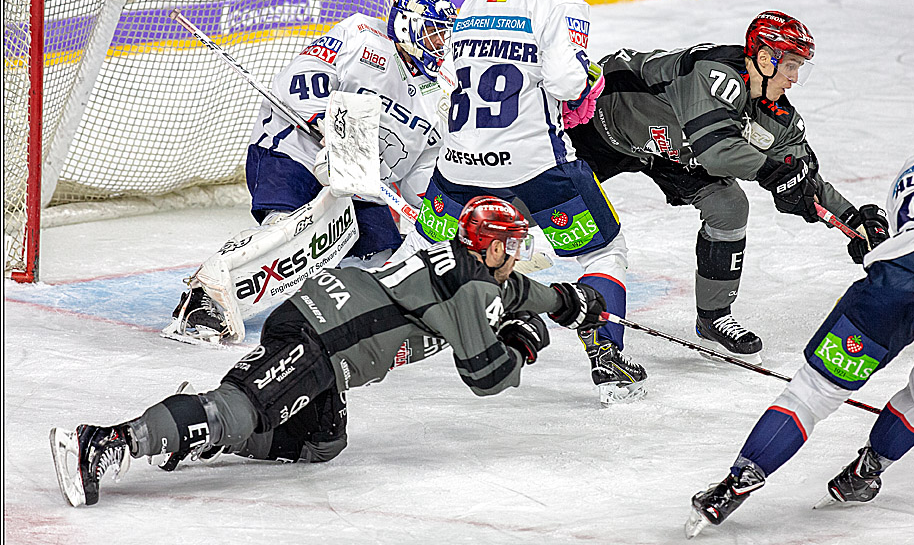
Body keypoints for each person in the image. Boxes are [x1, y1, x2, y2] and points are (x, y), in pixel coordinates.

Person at [50, 196, 610, 507]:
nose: (518, 252)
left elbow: (514, 292)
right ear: (489, 246)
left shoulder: (465, 267)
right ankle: (104, 440)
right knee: (240, 409)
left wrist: (568, 301)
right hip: (323, 337)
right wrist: (523, 344)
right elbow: (485, 374)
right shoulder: (473, 286)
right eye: (511, 244)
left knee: (320, 442)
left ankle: (206, 429)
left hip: (321, 319)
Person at [684, 83, 914, 538]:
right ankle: (866, 470)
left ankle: (734, 485)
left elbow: (909, 242)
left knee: (809, 395)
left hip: (897, 283)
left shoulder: (911, 168)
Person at [388, 0, 647, 405]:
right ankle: (605, 352)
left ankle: (377, 332)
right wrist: (589, 80)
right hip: (538, 169)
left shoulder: (471, 5)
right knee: (602, 252)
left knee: (421, 246)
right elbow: (568, 83)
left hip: (459, 167)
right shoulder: (561, 3)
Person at [564, 11, 885, 365]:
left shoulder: (776, 115)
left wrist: (854, 223)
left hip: (666, 151)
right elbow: (716, 151)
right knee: (525, 202)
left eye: (799, 68)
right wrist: (773, 173)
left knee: (730, 205)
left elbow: (803, 179)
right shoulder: (715, 73)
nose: (794, 79)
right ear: (764, 58)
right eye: (791, 66)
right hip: (595, 119)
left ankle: (713, 316)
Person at [166, 0, 457, 343]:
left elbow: (422, 171)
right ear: (406, 27)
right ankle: (205, 296)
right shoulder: (361, 36)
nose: (439, 44)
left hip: (359, 182)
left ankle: (336, 314)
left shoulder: (443, 92)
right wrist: (336, 135)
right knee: (290, 232)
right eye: (432, 33)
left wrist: (441, 211)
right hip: (295, 151)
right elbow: (300, 80)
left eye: (444, 35)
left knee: (380, 257)